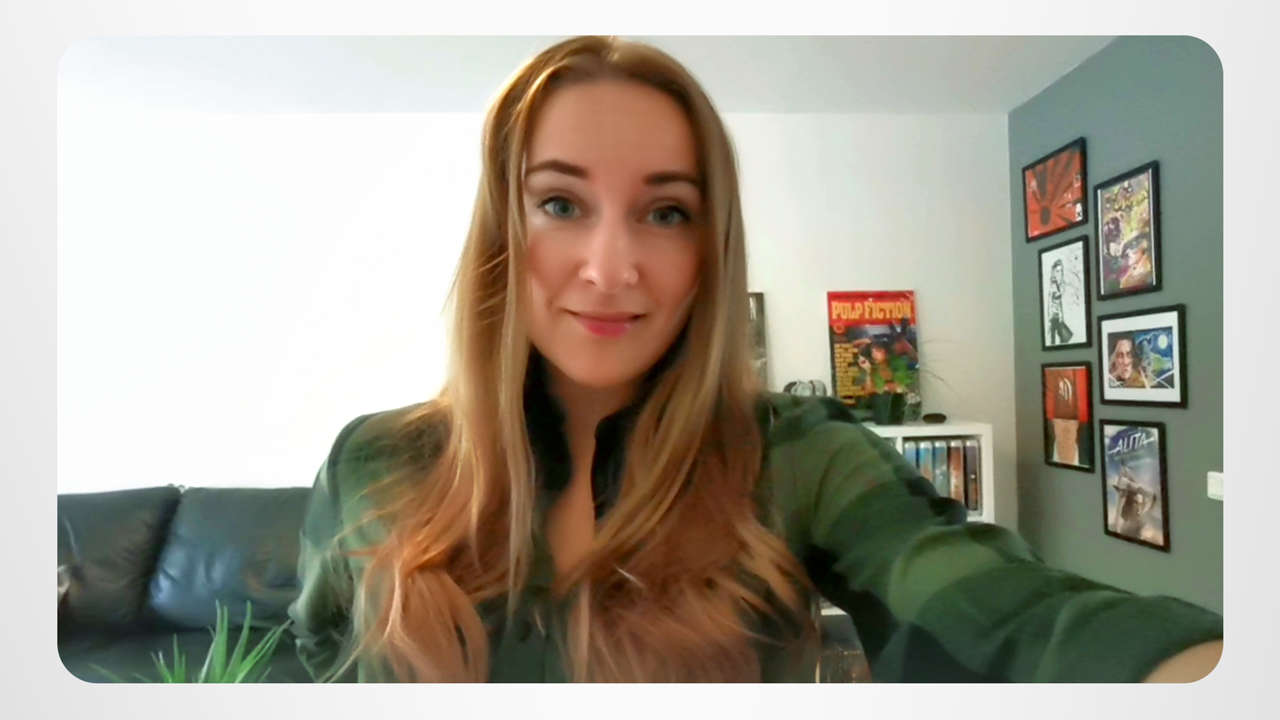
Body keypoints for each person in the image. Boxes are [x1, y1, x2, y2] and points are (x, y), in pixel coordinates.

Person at [288, 36, 1221, 683]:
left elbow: (1008, 617)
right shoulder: (371, 461)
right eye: (561, 204)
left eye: (666, 212)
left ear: (711, 252)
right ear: (501, 229)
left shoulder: (797, 456)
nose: (610, 268)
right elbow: (321, 650)